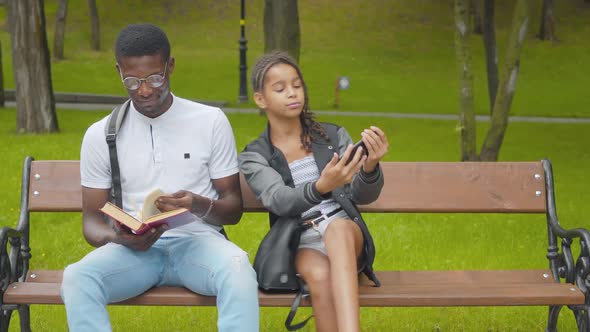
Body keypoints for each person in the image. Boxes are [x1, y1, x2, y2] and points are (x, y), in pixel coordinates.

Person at [60, 24, 259, 332]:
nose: (144, 89)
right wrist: (119, 237)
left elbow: (232, 208)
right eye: (132, 80)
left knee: (238, 268)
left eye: (155, 77)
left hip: (199, 244)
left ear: (170, 66)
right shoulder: (101, 134)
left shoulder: (209, 122)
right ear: (119, 72)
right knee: (78, 277)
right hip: (135, 253)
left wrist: (197, 204)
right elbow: (91, 223)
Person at [239, 51, 389, 332]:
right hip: (302, 240)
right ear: (261, 99)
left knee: (338, 229)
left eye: (297, 85)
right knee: (320, 277)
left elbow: (361, 196)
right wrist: (322, 186)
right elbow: (280, 201)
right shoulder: (255, 156)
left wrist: (369, 168)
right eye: (280, 88)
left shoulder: (332, 138)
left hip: (347, 238)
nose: (292, 93)